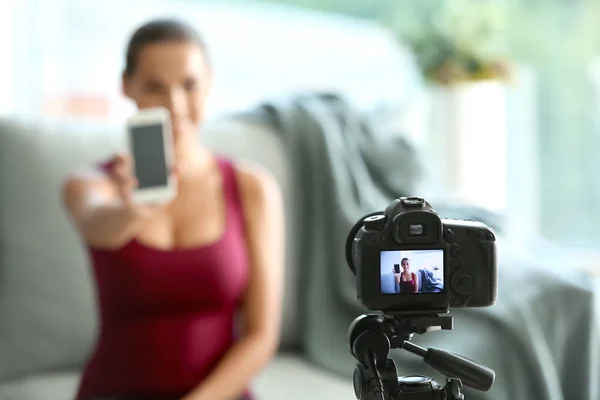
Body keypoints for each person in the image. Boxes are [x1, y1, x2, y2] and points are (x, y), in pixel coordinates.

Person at [62, 18, 284, 400]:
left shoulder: (253, 188)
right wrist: (133, 210)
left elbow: (261, 336)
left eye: (189, 84)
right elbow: (99, 225)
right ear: (126, 86)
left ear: (210, 82)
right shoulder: (90, 185)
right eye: (154, 87)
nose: (175, 103)